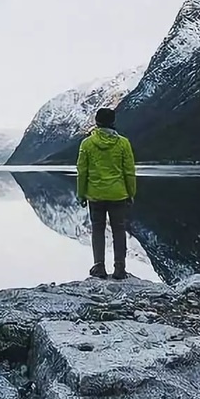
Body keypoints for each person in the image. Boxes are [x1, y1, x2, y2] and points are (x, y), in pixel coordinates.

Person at [76, 107, 136, 280]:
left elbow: (82, 172)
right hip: (118, 194)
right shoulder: (123, 143)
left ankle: (99, 267)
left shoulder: (86, 144)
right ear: (113, 122)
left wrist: (81, 194)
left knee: (97, 230)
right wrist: (131, 192)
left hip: (95, 195)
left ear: (96, 121)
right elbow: (129, 171)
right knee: (119, 230)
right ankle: (119, 269)